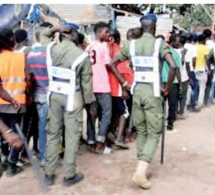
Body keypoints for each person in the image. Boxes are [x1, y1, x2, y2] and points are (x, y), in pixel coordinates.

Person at [109, 13, 176, 189]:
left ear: (142, 27)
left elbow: (112, 64)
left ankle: (142, 168)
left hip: (136, 92)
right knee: (154, 132)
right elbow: (173, 66)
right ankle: (140, 171)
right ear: (154, 27)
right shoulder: (159, 44)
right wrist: (168, 88)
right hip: (153, 93)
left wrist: (124, 83)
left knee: (142, 130)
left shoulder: (131, 45)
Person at [41, 23, 95, 186]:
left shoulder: (51, 49)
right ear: (71, 34)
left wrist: (55, 28)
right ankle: (69, 175)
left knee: (53, 134)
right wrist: (90, 105)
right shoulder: (82, 56)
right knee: (71, 137)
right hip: (73, 98)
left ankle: (49, 174)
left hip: (54, 96)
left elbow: (42, 36)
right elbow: (87, 85)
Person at [0, 28, 27, 176]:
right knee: (17, 134)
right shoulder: (21, 57)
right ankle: (12, 164)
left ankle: (4, 158)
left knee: (5, 134)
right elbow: (28, 79)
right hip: (18, 102)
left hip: (1, 102)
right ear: (12, 39)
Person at [26, 23, 51, 167]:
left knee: (38, 125)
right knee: (47, 126)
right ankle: (45, 156)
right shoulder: (48, 54)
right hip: (46, 93)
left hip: (34, 94)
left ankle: (40, 155)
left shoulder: (28, 54)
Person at [85, 22, 112, 154]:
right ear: (99, 32)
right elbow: (108, 64)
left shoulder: (89, 47)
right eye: (106, 32)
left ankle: (91, 141)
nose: (108, 34)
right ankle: (100, 143)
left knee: (92, 115)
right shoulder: (103, 46)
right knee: (106, 114)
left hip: (91, 85)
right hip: (102, 85)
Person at [108, 29, 131, 149]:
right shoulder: (119, 51)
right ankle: (118, 138)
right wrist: (124, 87)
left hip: (106, 88)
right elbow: (121, 71)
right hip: (117, 87)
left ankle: (109, 134)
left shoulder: (105, 49)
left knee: (111, 113)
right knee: (124, 113)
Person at [162, 34, 182, 130]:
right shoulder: (174, 53)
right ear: (172, 42)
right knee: (172, 104)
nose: (179, 43)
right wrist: (180, 84)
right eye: (178, 41)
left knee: (162, 103)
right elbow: (176, 70)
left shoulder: (161, 52)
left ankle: (162, 123)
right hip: (171, 82)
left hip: (163, 82)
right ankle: (170, 123)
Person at [194, 34, 210, 109]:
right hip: (202, 68)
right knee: (202, 87)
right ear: (203, 40)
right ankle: (200, 103)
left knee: (195, 86)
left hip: (194, 68)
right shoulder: (205, 48)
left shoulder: (195, 47)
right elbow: (207, 59)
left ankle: (193, 100)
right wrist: (209, 69)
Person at [184, 33, 199, 112]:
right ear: (191, 39)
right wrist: (193, 67)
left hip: (182, 70)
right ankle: (192, 105)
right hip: (190, 69)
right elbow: (194, 60)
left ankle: (183, 106)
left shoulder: (182, 46)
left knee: (184, 87)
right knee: (194, 87)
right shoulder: (193, 47)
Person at [176, 35, 190, 119]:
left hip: (174, 77)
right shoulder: (185, 51)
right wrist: (189, 77)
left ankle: (175, 111)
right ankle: (181, 112)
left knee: (175, 96)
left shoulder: (172, 51)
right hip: (184, 76)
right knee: (183, 96)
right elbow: (187, 65)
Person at [203, 29, 215, 105]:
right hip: (211, 66)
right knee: (210, 82)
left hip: (201, 65)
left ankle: (201, 98)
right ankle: (209, 98)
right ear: (210, 35)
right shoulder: (212, 44)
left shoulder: (200, 42)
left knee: (202, 83)